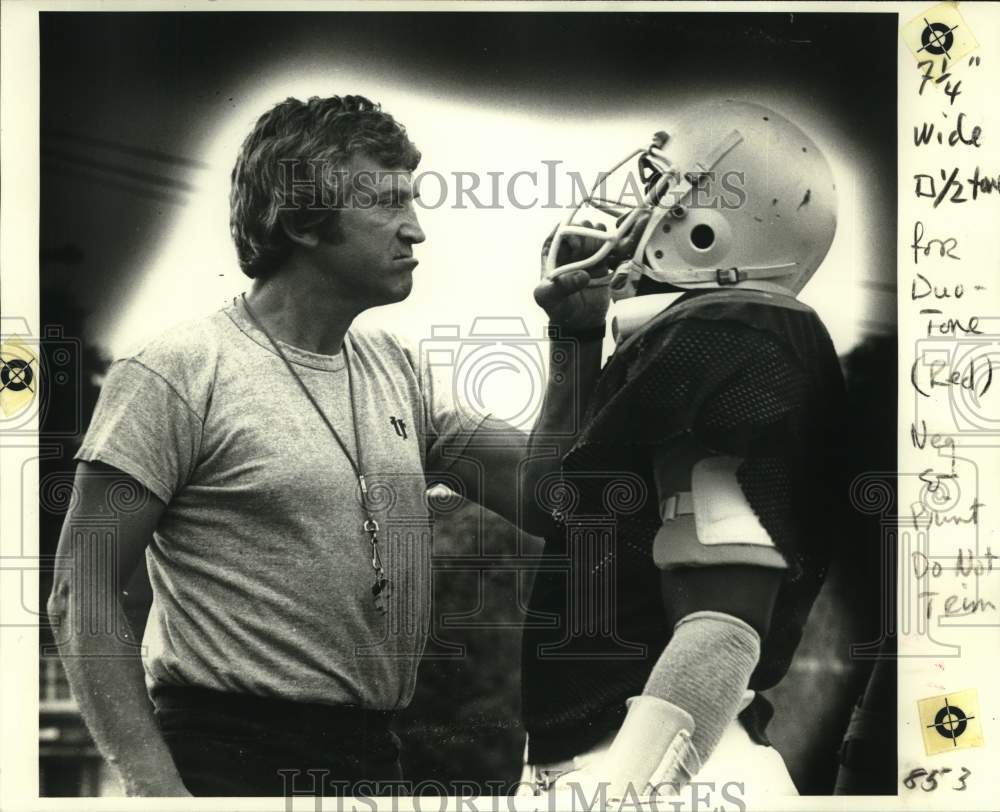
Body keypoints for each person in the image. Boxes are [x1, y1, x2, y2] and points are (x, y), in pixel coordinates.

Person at [46, 94, 589, 797]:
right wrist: (156, 791)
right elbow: (79, 590)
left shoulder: (399, 369)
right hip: (225, 762)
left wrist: (575, 338)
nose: (416, 231)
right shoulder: (177, 371)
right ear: (303, 218)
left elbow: (561, 501)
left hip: (374, 759)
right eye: (390, 204)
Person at [518, 99, 849, 804]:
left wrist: (621, 797)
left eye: (660, 192)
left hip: (667, 763)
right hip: (644, 754)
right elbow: (552, 502)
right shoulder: (694, 338)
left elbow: (722, 630)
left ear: (709, 230)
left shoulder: (732, 336)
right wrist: (574, 341)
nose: (634, 213)